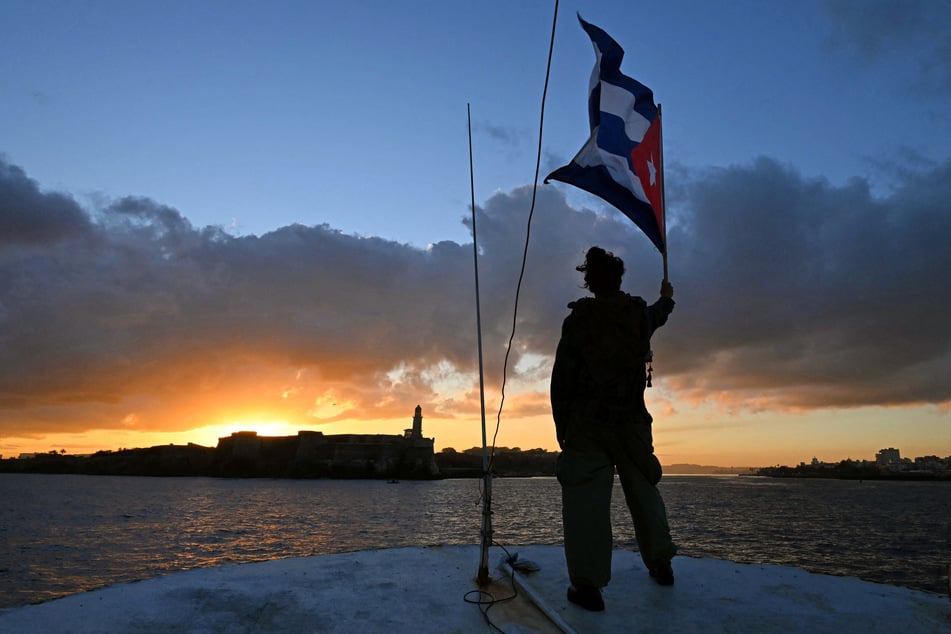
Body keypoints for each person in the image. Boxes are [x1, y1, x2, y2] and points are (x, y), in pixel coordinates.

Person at [550, 246, 677, 612]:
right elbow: (657, 316)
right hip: (633, 423)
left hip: (587, 426)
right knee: (644, 490)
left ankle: (588, 587)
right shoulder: (637, 315)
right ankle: (661, 564)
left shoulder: (578, 322)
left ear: (589, 281)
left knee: (586, 501)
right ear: (619, 279)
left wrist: (564, 429)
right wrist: (667, 299)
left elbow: (562, 381)